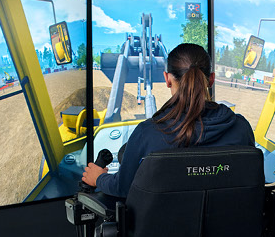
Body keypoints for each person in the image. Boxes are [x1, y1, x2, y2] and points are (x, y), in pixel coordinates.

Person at [82, 43, 255, 197]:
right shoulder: (241, 128)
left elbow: (123, 188)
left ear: (167, 79)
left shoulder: (148, 133)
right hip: (230, 232)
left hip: (163, 233)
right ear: (211, 79)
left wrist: (99, 178)